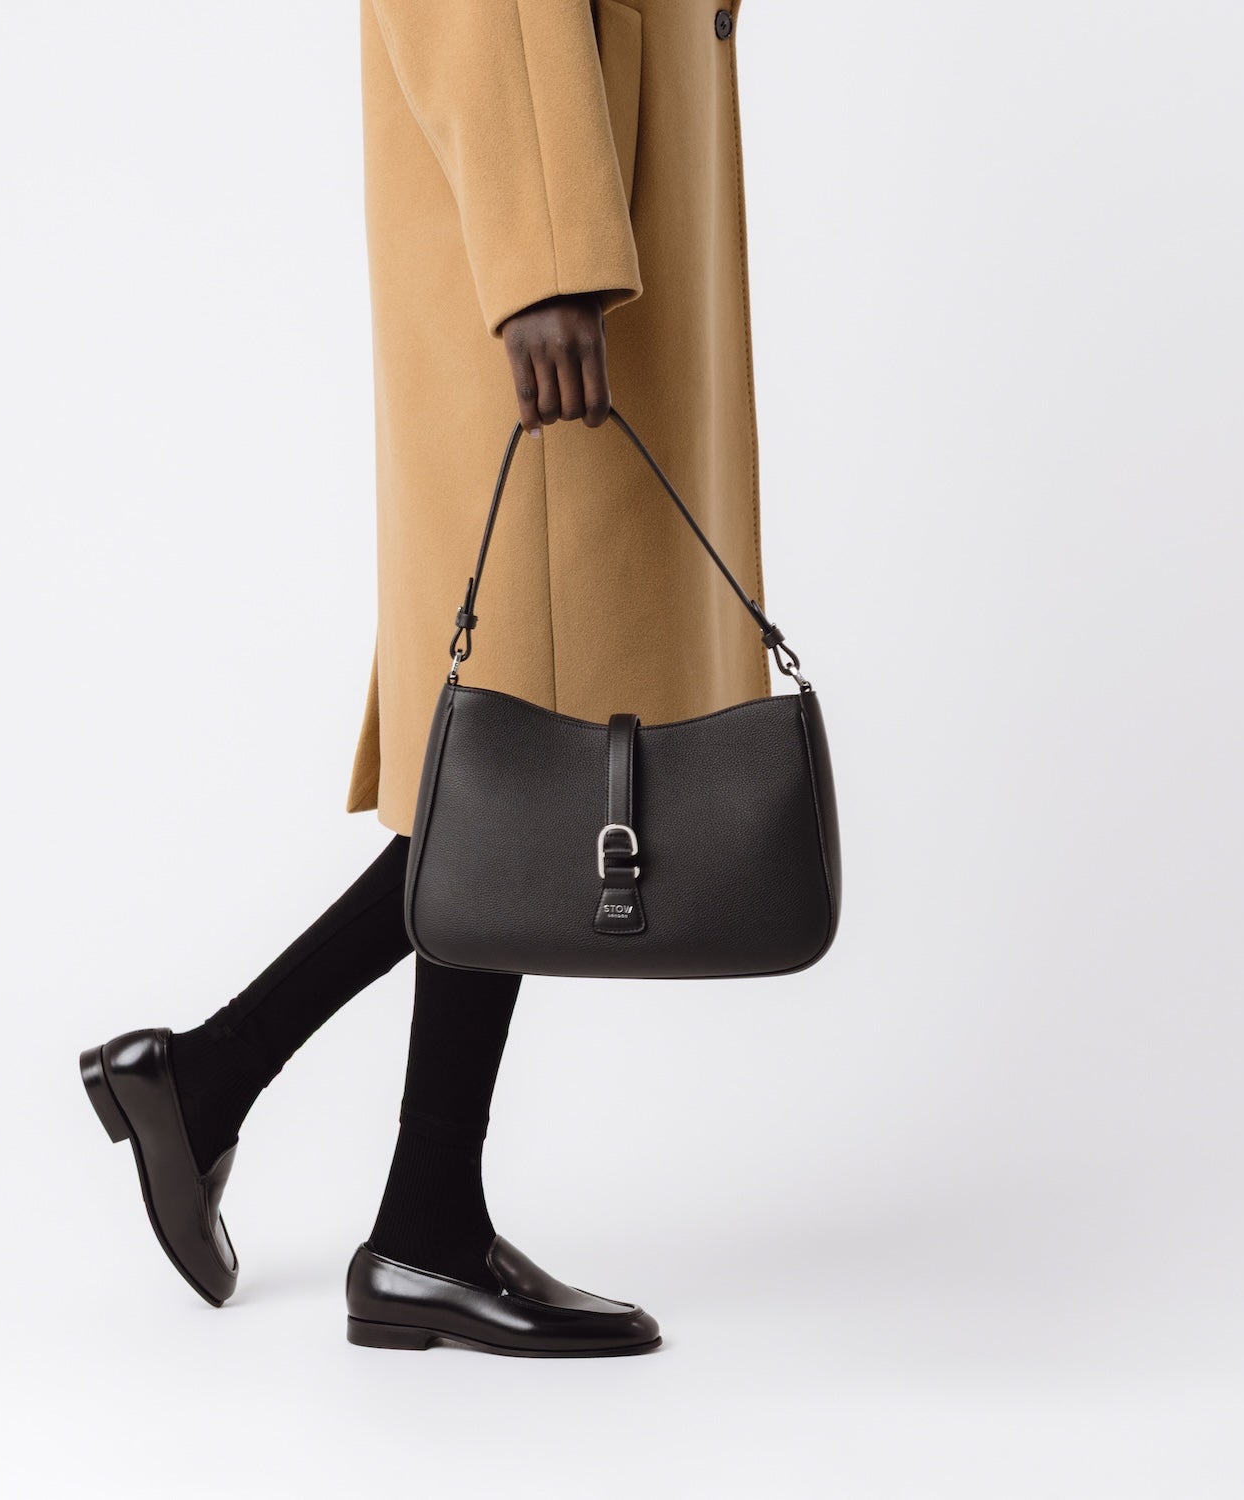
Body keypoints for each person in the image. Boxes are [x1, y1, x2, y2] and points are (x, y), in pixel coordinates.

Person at [80, 0, 771, 1357]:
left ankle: (295, 1134)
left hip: (612, 185)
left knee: (527, 749)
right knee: (525, 749)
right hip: (563, 232)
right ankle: (359, 1182)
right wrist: (544, 250)